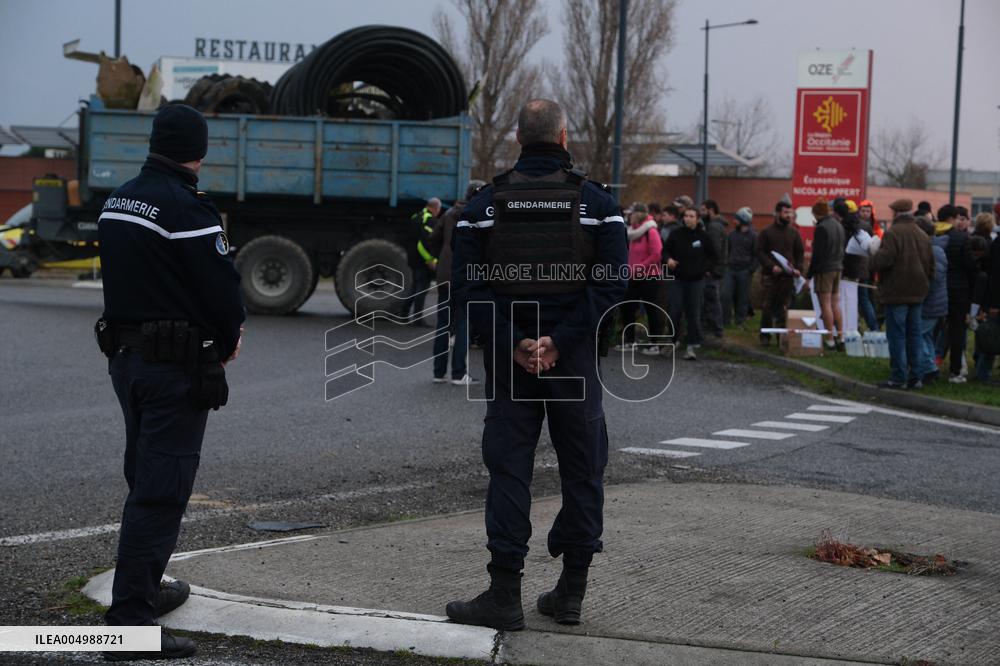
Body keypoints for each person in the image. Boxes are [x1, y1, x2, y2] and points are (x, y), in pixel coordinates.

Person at [448, 99, 627, 630]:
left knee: (509, 469)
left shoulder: (481, 206)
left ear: (518, 137)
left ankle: (504, 595)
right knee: (583, 468)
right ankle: (571, 592)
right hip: (571, 364)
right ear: (565, 136)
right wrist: (561, 342)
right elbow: (612, 286)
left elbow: (466, 290)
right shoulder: (599, 204)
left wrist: (517, 343)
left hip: (512, 365)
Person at [95, 104, 245, 660]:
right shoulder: (187, 208)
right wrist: (229, 339)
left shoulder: (118, 200)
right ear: (197, 151)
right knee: (161, 491)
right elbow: (220, 290)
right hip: (171, 370)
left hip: (126, 361)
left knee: (145, 477)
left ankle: (144, 590)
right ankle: (129, 623)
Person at [871, 199, 934, 389]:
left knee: (897, 336)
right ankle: (916, 376)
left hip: (896, 293)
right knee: (914, 334)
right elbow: (931, 267)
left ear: (895, 213)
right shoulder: (923, 234)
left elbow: (883, 260)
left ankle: (898, 377)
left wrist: (871, 256)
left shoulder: (893, 233)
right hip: (918, 293)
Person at [427, 181, 484, 385]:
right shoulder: (478, 213)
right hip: (465, 276)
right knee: (463, 324)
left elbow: (432, 238)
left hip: (444, 274)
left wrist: (440, 257)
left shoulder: (449, 213)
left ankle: (438, 372)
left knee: (443, 324)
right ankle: (459, 374)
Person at [664, 207, 716, 360]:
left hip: (696, 280)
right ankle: (673, 340)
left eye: (691, 216)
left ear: (697, 218)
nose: (687, 218)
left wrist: (705, 269)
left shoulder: (704, 236)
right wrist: (668, 260)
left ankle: (692, 345)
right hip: (677, 279)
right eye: (686, 216)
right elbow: (665, 251)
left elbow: (713, 256)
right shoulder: (676, 234)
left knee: (693, 313)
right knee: (674, 311)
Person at [755, 200, 804, 346]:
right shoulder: (766, 232)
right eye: (786, 212)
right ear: (777, 213)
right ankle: (765, 336)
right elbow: (759, 252)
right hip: (771, 276)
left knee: (784, 308)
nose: (789, 215)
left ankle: (781, 338)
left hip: (787, 278)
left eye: (790, 213)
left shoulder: (794, 233)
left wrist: (798, 269)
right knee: (767, 307)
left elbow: (799, 253)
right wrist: (771, 266)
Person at [937, 204, 977, 382]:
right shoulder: (962, 239)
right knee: (957, 330)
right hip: (959, 290)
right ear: (953, 218)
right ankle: (955, 370)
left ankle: (925, 364)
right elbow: (970, 266)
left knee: (931, 328)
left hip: (937, 287)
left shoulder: (934, 235)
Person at [619, 202, 663, 354]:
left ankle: (654, 343)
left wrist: (640, 267)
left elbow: (656, 254)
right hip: (632, 276)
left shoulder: (650, 231)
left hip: (649, 276)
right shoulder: (632, 231)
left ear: (639, 214)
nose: (629, 216)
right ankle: (630, 341)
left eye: (632, 213)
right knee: (628, 307)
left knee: (652, 309)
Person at [807, 198, 845, 351]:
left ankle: (829, 340)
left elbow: (817, 255)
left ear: (817, 213)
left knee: (826, 303)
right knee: (835, 303)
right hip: (838, 268)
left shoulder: (821, 228)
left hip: (825, 270)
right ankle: (840, 338)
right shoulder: (838, 225)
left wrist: (808, 276)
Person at [915, 215, 949, 384]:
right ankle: (929, 368)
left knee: (918, 335)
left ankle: (929, 368)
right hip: (934, 303)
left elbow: (932, 279)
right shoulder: (935, 249)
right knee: (926, 336)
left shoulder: (933, 251)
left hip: (931, 303)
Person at [405, 197, 442, 324]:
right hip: (422, 259)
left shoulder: (416, 216)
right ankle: (418, 318)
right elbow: (424, 243)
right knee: (422, 288)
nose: (438, 212)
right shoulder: (429, 219)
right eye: (439, 209)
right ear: (435, 207)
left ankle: (403, 313)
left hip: (412, 257)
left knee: (414, 286)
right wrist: (430, 259)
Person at [721, 206, 757, 327]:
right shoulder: (731, 235)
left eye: (736, 218)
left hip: (745, 271)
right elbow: (728, 250)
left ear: (743, 220)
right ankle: (725, 321)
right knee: (725, 294)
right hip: (730, 269)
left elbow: (756, 255)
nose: (734, 221)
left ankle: (740, 321)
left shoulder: (753, 236)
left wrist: (751, 270)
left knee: (743, 297)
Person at [699, 199, 728, 339]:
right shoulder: (715, 225)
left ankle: (715, 329)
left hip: (713, 270)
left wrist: (708, 268)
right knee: (711, 298)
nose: (701, 213)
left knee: (712, 299)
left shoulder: (714, 227)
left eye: (703, 210)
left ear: (710, 210)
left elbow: (714, 250)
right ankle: (712, 328)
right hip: (716, 268)